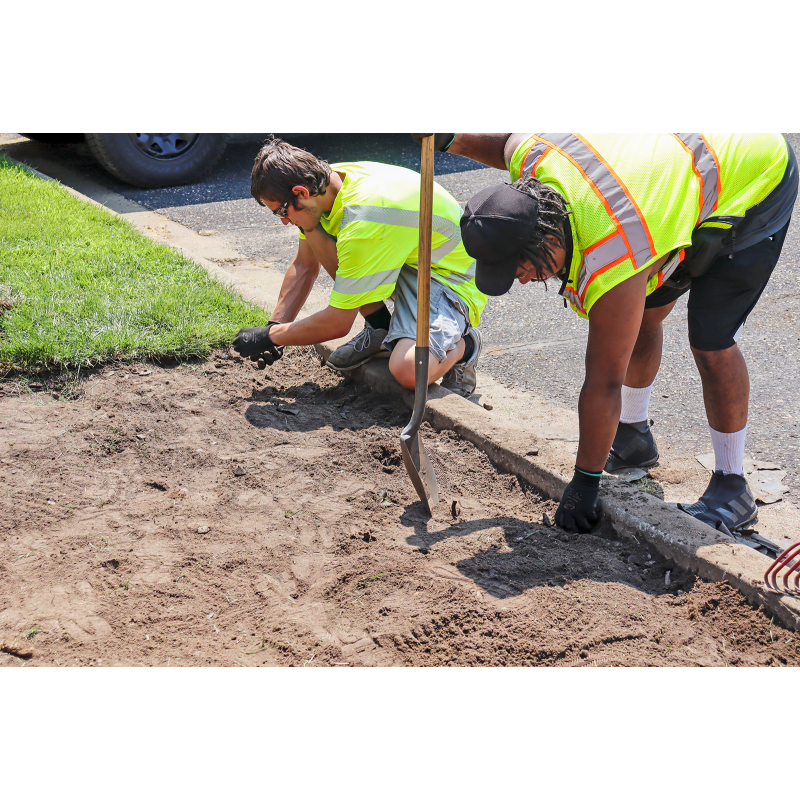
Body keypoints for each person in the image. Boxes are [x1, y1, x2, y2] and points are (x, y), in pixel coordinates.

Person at [411, 133, 797, 534]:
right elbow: (503, 140)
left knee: (710, 338)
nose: (521, 280)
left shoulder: (613, 254)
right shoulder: (534, 160)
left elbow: (603, 382)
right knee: (643, 313)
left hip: (753, 171)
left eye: (519, 266)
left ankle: (732, 488)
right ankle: (633, 436)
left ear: (548, 237)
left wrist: (584, 483)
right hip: (660, 180)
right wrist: (449, 139)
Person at [233, 137, 486, 398]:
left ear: (301, 192)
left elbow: (338, 323)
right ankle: (380, 329)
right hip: (409, 259)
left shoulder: (364, 219)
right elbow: (305, 265)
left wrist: (271, 337)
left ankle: (465, 347)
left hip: (450, 280)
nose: (284, 221)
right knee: (314, 228)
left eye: (281, 211)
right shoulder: (327, 183)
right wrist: (274, 324)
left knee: (408, 370)